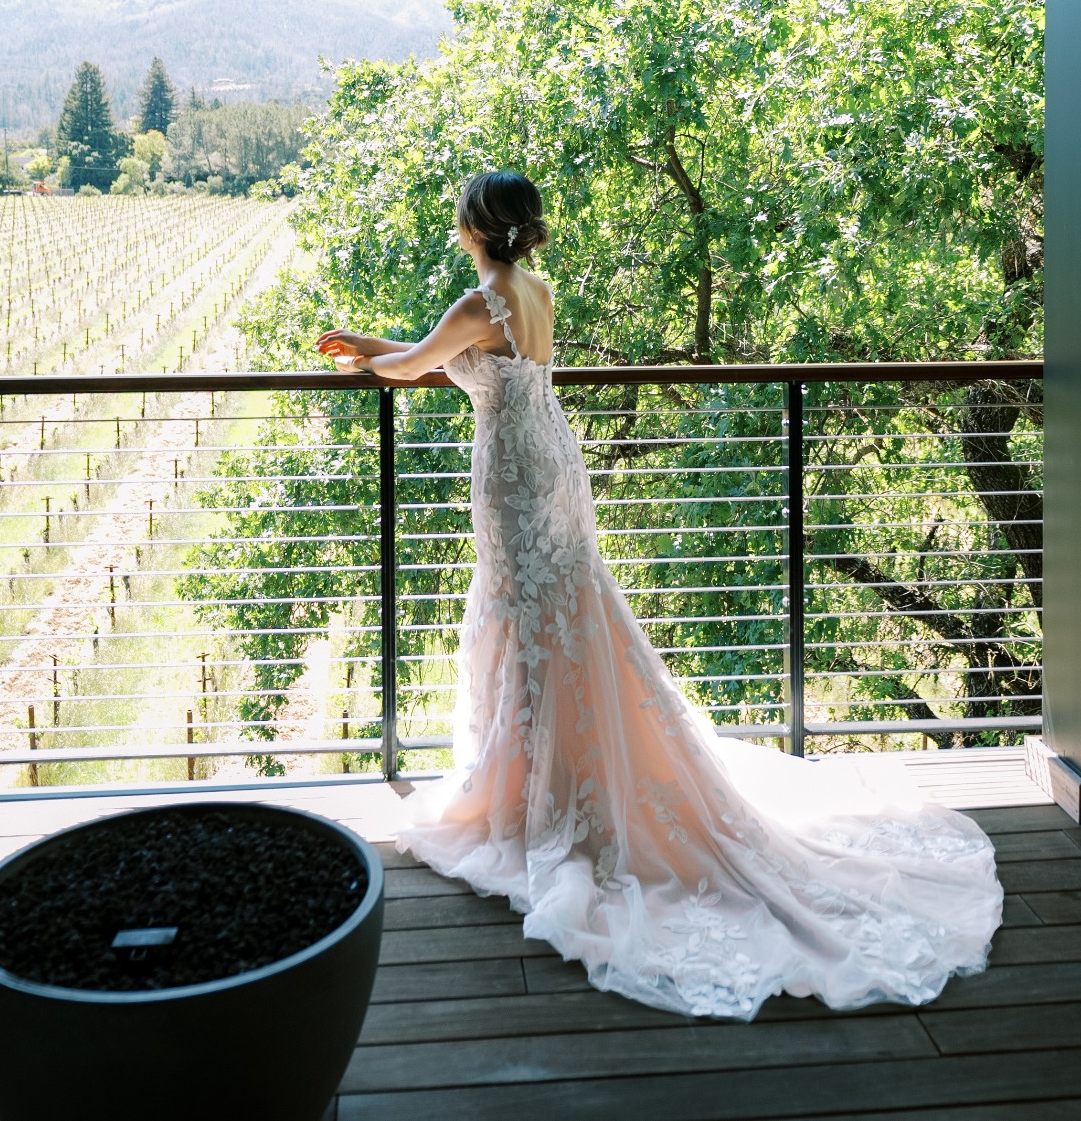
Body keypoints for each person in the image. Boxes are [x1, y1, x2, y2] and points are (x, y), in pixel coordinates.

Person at [317, 169, 1002, 1020]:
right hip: (554, 466)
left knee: (528, 625)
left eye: (459, 212)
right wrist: (369, 343)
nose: (453, 220)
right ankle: (550, 781)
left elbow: (420, 364)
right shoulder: (531, 290)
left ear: (475, 226)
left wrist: (366, 352)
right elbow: (435, 356)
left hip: (517, 483)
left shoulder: (476, 301)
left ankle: (535, 793)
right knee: (564, 622)